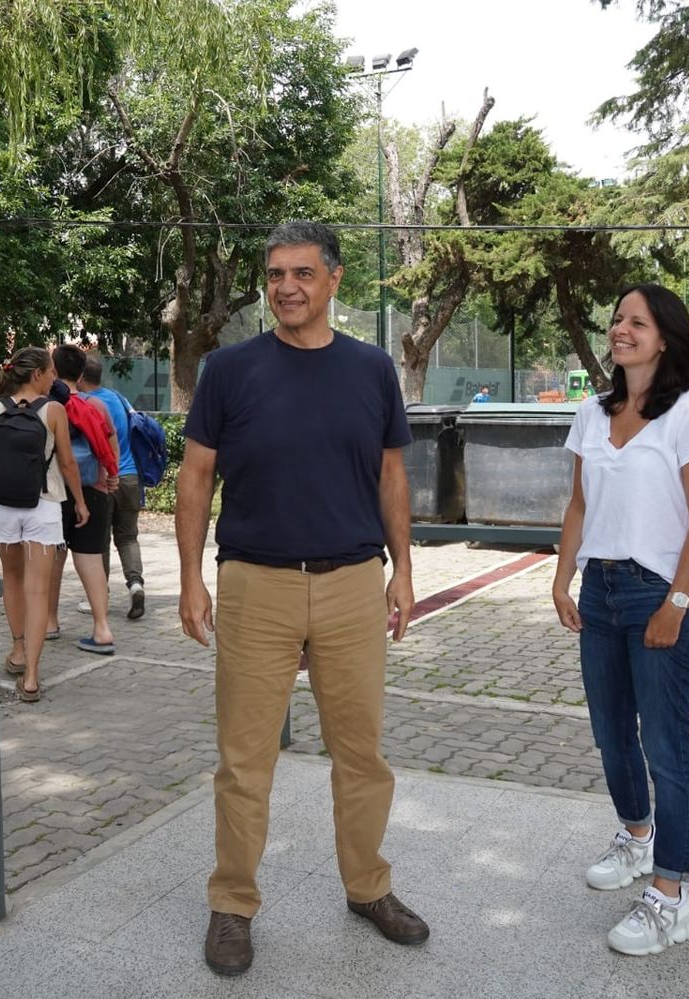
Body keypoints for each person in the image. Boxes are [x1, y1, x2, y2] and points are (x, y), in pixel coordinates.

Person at [176, 220, 426, 977]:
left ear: (334, 279)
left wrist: (404, 568)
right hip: (256, 584)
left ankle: (367, 886)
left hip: (353, 583)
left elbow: (391, 475)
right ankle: (232, 903)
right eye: (275, 273)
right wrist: (191, 577)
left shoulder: (373, 369)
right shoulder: (229, 369)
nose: (286, 286)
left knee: (362, 754)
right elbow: (194, 478)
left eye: (302, 273)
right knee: (244, 760)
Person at [552, 284, 689, 955]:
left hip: (662, 593)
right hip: (602, 590)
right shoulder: (593, 413)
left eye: (637, 321)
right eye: (617, 317)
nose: (621, 328)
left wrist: (677, 602)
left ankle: (672, 897)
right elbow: (577, 505)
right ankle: (636, 838)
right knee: (611, 733)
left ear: (665, 337)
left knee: (666, 748)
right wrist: (563, 575)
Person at [0, 346, 88, 702]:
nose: (54, 377)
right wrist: (80, 503)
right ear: (37, 374)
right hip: (43, 505)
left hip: (4, 506)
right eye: (50, 371)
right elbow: (67, 464)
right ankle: (33, 677)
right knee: (38, 590)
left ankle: (18, 651)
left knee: (12, 580)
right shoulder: (54, 411)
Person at [48, 343, 120, 655]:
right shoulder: (96, 406)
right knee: (90, 558)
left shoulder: (45, 405)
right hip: (93, 489)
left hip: (53, 492)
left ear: (52, 371)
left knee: (52, 556)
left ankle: (48, 622)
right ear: (81, 374)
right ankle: (102, 628)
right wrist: (111, 477)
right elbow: (111, 445)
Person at [78, 354, 148, 619]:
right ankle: (136, 585)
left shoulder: (85, 403)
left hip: (104, 479)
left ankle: (100, 597)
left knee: (100, 539)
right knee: (128, 536)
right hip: (130, 477)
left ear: (81, 377)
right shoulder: (118, 398)